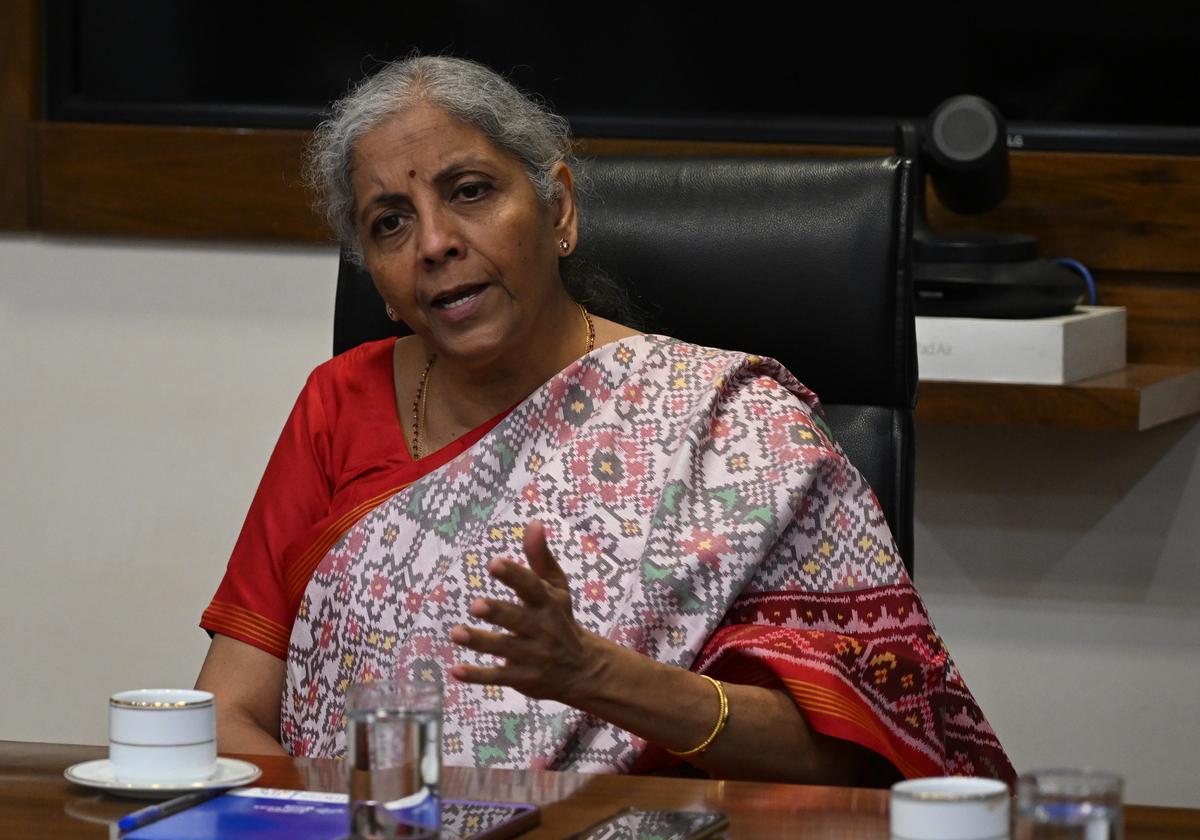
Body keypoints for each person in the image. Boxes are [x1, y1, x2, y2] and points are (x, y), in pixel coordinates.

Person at [196, 55, 1013, 785]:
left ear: (559, 210)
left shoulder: (733, 429)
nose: (436, 242)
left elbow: (853, 748)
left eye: (469, 191)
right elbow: (227, 713)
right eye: (390, 222)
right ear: (377, 280)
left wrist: (593, 674)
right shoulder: (339, 403)